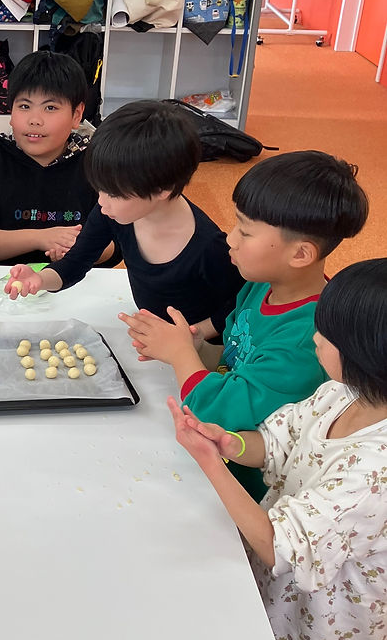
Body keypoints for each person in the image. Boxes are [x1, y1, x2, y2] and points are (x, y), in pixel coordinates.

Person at [168, 259, 387, 640]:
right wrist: (231, 443)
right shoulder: (340, 392)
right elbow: (279, 441)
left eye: (328, 334)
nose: (315, 336)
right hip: (281, 560)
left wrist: (212, 465)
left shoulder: (374, 473)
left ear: (367, 357)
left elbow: (279, 547)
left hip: (321, 618)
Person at [122, 151, 368, 498]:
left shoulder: (305, 341)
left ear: (300, 254)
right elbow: (234, 357)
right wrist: (196, 348)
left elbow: (217, 414)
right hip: (219, 456)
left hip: (254, 488)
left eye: (246, 231)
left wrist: (180, 356)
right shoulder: (262, 285)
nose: (230, 239)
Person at [6, 99, 244, 328]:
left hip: (202, 345)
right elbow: (75, 262)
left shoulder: (209, 247)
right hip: (152, 336)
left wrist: (194, 335)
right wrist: (40, 279)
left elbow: (240, 305)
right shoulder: (113, 213)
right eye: (99, 189)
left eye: (114, 193)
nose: (101, 202)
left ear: (161, 189)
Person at [0, 50, 118, 267]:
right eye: (24, 106)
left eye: (50, 108)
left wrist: (82, 250)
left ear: (76, 114)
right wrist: (40, 238)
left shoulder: (98, 166)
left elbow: (121, 240)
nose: (35, 120)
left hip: (77, 280)